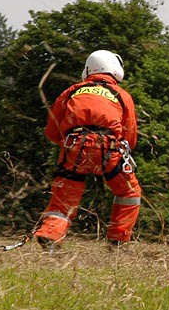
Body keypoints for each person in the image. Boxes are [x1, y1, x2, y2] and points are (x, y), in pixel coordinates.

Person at [33, 50, 142, 249]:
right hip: (109, 148)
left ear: (88, 69)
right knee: (129, 192)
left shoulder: (72, 91)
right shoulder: (122, 96)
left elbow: (52, 131)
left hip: (75, 145)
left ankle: (50, 233)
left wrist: (70, 147)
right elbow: (130, 135)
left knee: (64, 195)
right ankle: (118, 241)